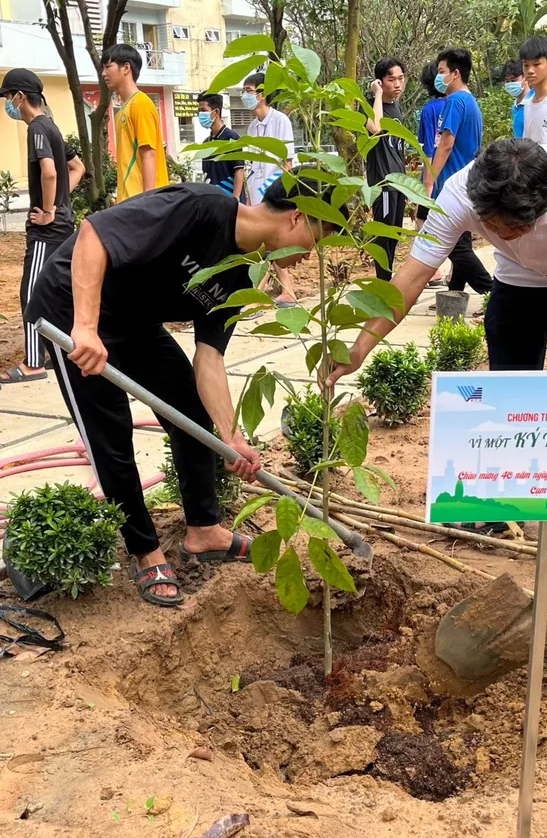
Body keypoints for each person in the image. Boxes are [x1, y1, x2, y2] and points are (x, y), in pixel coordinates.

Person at [25, 173, 342, 607]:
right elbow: (94, 233)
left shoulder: (244, 275)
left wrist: (231, 438)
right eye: (318, 239)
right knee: (110, 433)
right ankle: (144, 551)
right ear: (297, 218)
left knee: (193, 412)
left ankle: (204, 530)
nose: (313, 255)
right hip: (71, 306)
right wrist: (85, 325)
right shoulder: (201, 206)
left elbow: (209, 358)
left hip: (133, 320)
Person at [328, 138, 547, 567]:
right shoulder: (457, 194)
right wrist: (360, 345)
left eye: (513, 227)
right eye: (493, 226)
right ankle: (503, 507)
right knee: (508, 394)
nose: (503, 234)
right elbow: (414, 275)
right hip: (519, 282)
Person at [0, 68, 83, 386]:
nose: (8, 103)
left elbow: (49, 172)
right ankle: (65, 349)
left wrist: (49, 210)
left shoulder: (36, 128)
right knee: (57, 292)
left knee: (31, 293)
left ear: (20, 97)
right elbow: (77, 167)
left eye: (8, 97)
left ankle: (34, 363)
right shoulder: (52, 127)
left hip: (46, 231)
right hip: (63, 226)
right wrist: (63, 200)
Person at [424, 47, 491, 296]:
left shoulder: (454, 101)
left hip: (452, 182)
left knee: (454, 247)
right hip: (468, 180)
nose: (438, 77)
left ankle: (491, 291)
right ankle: (454, 295)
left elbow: (446, 143)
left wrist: (429, 179)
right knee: (458, 241)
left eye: (441, 72)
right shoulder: (470, 101)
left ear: (455, 73)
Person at [242, 72, 297, 306]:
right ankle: (288, 291)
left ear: (262, 94)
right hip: (256, 191)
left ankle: (256, 296)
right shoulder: (253, 127)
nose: (245, 96)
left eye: (249, 91)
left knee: (267, 244)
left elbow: (287, 160)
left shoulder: (280, 121)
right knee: (269, 243)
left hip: (274, 192)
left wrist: (284, 194)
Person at [100, 44, 169, 202]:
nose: (103, 74)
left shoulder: (140, 103)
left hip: (143, 201)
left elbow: (149, 153)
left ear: (126, 68)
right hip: (130, 200)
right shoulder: (123, 111)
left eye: (108, 67)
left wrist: (148, 201)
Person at [365, 57, 408, 281]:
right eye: (391, 79)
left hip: (399, 183)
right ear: (380, 82)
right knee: (383, 234)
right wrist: (377, 95)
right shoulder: (372, 106)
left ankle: (388, 278)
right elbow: (375, 128)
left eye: (401, 78)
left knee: (394, 233)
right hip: (383, 183)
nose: (398, 84)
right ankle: (383, 281)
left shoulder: (396, 107)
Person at [416, 62, 447, 288]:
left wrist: (427, 182)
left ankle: (432, 271)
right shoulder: (458, 103)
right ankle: (454, 273)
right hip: (452, 172)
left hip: (433, 175)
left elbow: (427, 148)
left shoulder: (429, 110)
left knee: (421, 220)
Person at [197, 92, 246, 202]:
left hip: (230, 200)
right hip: (214, 202)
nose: (201, 114)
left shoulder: (231, 138)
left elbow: (239, 170)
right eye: (199, 111)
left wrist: (235, 199)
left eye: (204, 110)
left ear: (216, 112)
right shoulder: (206, 143)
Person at [503, 59, 530, 138]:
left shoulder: (534, 102)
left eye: (513, 80)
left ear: (524, 76)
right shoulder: (515, 106)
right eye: (507, 81)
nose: (510, 84)